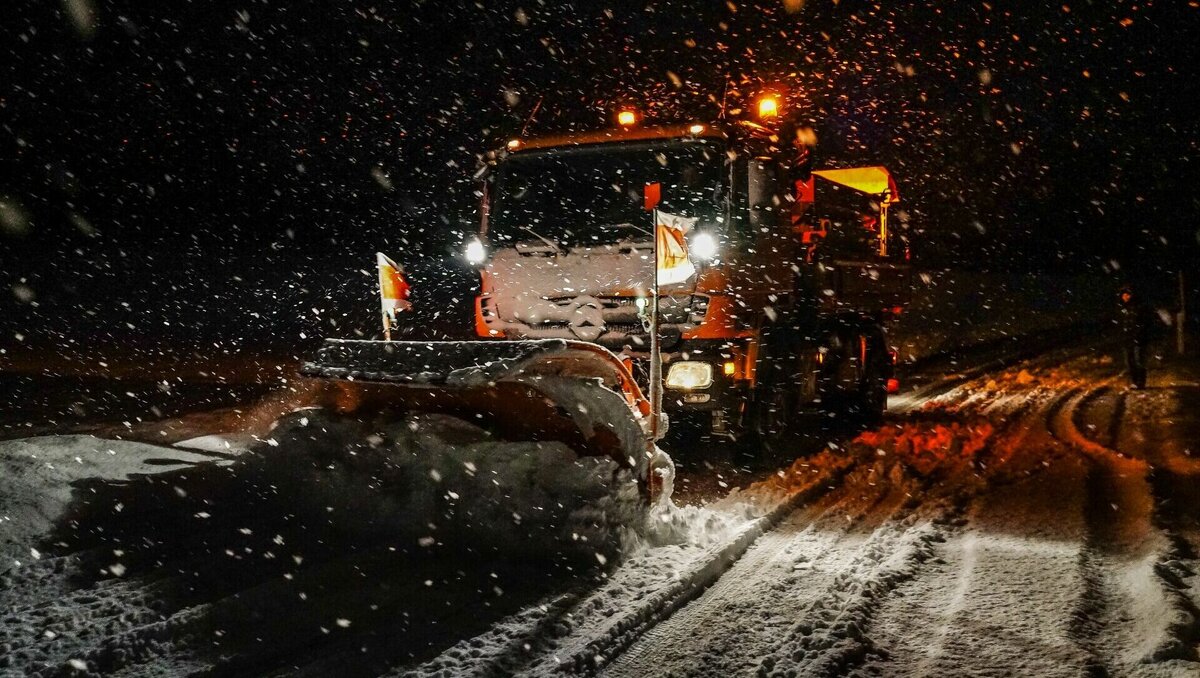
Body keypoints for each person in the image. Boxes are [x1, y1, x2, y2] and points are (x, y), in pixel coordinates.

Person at [1117, 284, 1151, 389]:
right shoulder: (1122, 309)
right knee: (1129, 362)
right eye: (1124, 295)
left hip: (1139, 339)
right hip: (1127, 340)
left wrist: (1139, 334)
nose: (1125, 297)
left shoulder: (1139, 307)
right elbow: (1120, 324)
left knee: (1138, 361)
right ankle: (1134, 381)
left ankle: (1140, 383)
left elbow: (1144, 323)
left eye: (1128, 295)